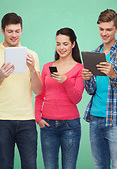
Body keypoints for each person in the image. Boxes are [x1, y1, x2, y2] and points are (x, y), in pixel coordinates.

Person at [0, 13, 42, 169]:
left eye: (17, 31)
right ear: (2, 31)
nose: (14, 35)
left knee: (30, 165)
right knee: (5, 165)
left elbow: (38, 90)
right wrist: (0, 76)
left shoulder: (32, 55)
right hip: (1, 120)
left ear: (22, 30)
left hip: (27, 120)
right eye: (10, 31)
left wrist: (32, 69)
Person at [82, 9, 117, 169]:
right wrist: (87, 79)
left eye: (108, 29)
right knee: (99, 165)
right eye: (101, 29)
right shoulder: (94, 54)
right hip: (95, 118)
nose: (104, 33)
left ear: (116, 29)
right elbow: (91, 90)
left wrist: (113, 75)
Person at [35, 28, 84, 169]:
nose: (61, 48)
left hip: (70, 126)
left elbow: (76, 98)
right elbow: (40, 94)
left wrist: (66, 80)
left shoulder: (79, 68)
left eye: (65, 44)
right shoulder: (47, 67)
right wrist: (38, 117)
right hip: (48, 126)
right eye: (58, 44)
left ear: (73, 44)